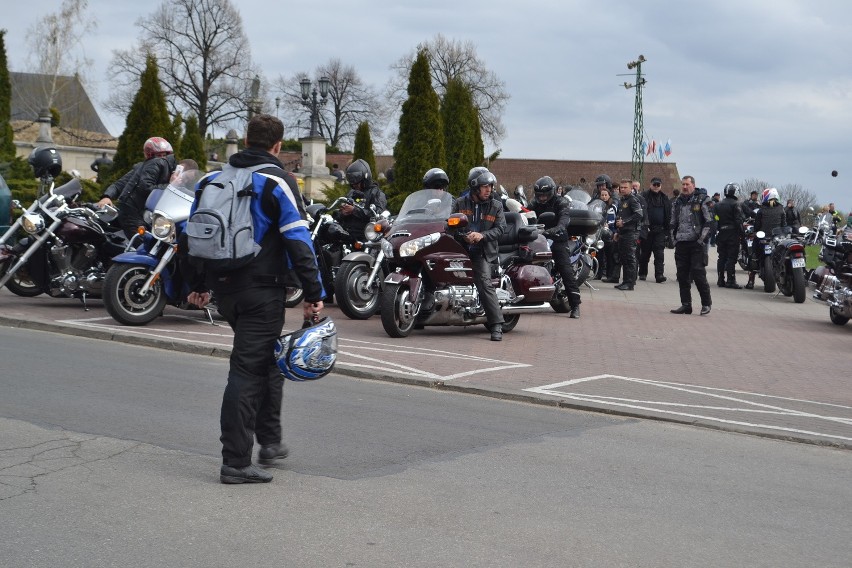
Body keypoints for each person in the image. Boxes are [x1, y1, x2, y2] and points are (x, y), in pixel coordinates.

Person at [186, 114, 325, 484]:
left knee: (266, 363)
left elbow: (194, 234)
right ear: (277, 146)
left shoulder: (211, 180)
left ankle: (271, 440)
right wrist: (314, 292)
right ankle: (235, 461)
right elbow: (298, 238)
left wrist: (198, 284)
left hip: (226, 290)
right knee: (247, 371)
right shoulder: (277, 181)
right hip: (263, 291)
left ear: (246, 140)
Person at [452, 167, 506, 341]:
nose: (488, 189)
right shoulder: (460, 203)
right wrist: (463, 237)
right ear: (474, 187)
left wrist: (482, 236)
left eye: (490, 186)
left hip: (482, 252)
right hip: (459, 248)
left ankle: (496, 325)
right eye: (484, 186)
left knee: (484, 282)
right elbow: (448, 225)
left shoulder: (495, 205)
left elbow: (501, 229)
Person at [97, 137, 176, 238]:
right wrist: (107, 196)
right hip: (133, 213)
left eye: (164, 155)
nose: (160, 159)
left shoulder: (172, 172)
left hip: (151, 217)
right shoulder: (141, 168)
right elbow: (120, 184)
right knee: (144, 244)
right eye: (157, 156)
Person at [529, 175, 581, 318]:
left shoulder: (561, 202)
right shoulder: (534, 203)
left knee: (565, 269)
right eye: (540, 195)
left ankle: (575, 305)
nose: (542, 198)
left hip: (557, 239)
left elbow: (564, 219)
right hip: (538, 238)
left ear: (551, 192)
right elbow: (525, 215)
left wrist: (557, 228)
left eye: (545, 195)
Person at [670, 175, 713, 315]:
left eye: (687, 184)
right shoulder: (677, 202)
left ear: (693, 185)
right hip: (681, 242)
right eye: (683, 184)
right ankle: (686, 304)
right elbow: (672, 222)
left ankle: (706, 304)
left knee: (698, 274)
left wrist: (701, 240)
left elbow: (709, 221)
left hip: (696, 243)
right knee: (682, 276)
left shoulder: (702, 200)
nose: (684, 187)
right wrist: (673, 239)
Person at [336, 159, 388, 241]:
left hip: (366, 237)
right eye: (352, 183)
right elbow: (340, 216)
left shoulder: (376, 193)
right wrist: (342, 212)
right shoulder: (352, 192)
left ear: (365, 179)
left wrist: (354, 210)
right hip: (348, 235)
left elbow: (378, 215)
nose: (354, 185)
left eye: (357, 183)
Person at [746, 187, 785, 290]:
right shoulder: (781, 208)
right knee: (783, 256)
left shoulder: (762, 209)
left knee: (753, 255)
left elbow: (757, 225)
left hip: (763, 237)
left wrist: (755, 232)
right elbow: (784, 225)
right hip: (777, 238)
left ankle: (751, 280)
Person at [611, 179, 643, 290]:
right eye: (621, 187)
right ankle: (625, 281)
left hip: (631, 232)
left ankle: (630, 283)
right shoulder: (622, 200)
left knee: (630, 258)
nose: (622, 189)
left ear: (631, 188)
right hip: (623, 232)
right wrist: (617, 231)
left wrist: (624, 222)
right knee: (623, 257)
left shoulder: (633, 200)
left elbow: (639, 215)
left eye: (625, 187)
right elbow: (620, 217)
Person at [639, 177, 671, 283]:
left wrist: (667, 231)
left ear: (661, 186)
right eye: (654, 185)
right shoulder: (643, 196)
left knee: (659, 254)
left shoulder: (665, 198)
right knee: (645, 253)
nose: (656, 187)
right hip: (647, 229)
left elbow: (668, 215)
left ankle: (659, 275)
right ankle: (643, 273)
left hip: (660, 230)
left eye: (658, 185)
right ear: (650, 184)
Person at [714, 183, 745, 289]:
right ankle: (730, 280)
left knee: (721, 257)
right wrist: (742, 234)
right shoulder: (736, 204)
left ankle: (720, 279)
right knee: (732, 258)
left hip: (721, 233)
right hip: (732, 234)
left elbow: (716, 219)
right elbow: (738, 221)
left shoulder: (718, 205)